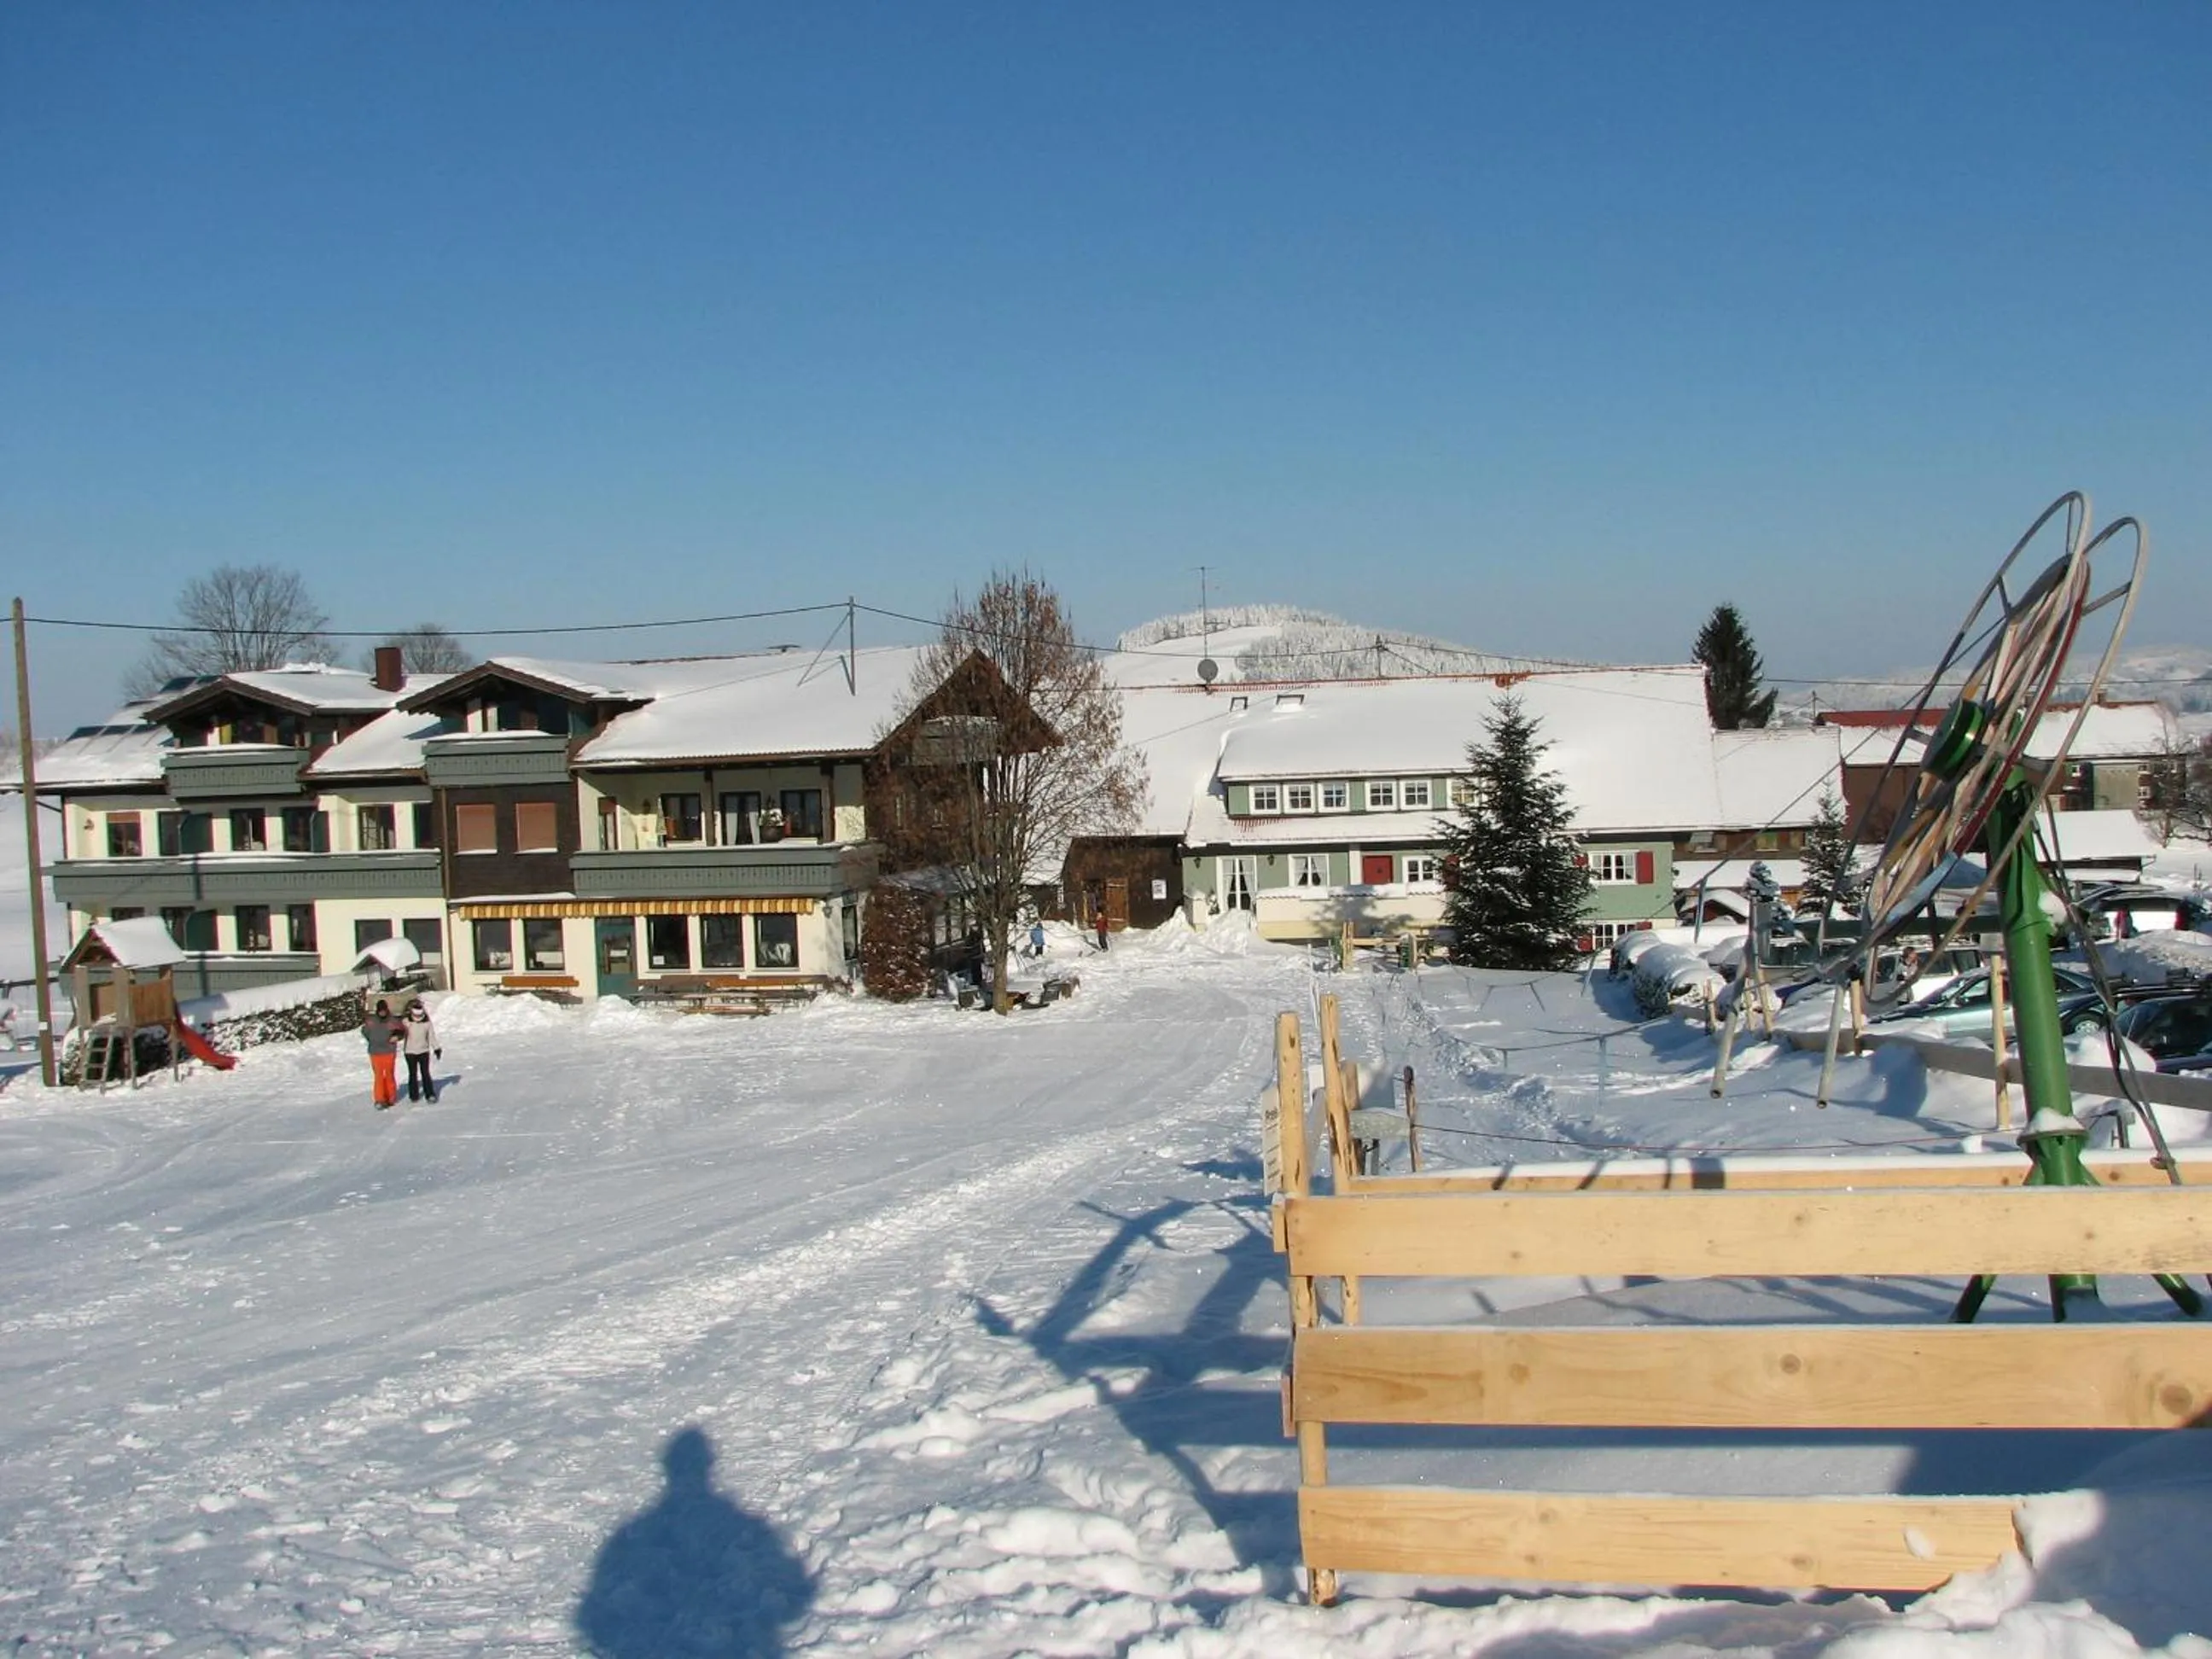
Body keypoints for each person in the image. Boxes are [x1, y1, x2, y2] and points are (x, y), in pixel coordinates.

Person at [362, 998, 402, 1109]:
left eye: (384, 1010)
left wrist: (397, 1036)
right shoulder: (371, 1021)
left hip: (388, 1051)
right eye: (380, 1011)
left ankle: (391, 1097)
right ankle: (380, 1099)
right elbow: (364, 1031)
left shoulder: (392, 1021)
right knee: (379, 1076)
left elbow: (401, 1030)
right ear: (377, 1011)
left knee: (389, 1074)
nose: (382, 1013)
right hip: (375, 1052)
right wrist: (372, 1039)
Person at [401, 998, 442, 1103]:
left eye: (420, 1015)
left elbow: (431, 1036)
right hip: (410, 1052)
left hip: (423, 1051)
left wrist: (436, 1048)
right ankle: (413, 1095)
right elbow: (400, 1033)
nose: (418, 1018)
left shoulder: (427, 1023)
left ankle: (429, 1094)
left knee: (425, 1073)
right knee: (412, 1074)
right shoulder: (406, 1022)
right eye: (416, 1016)